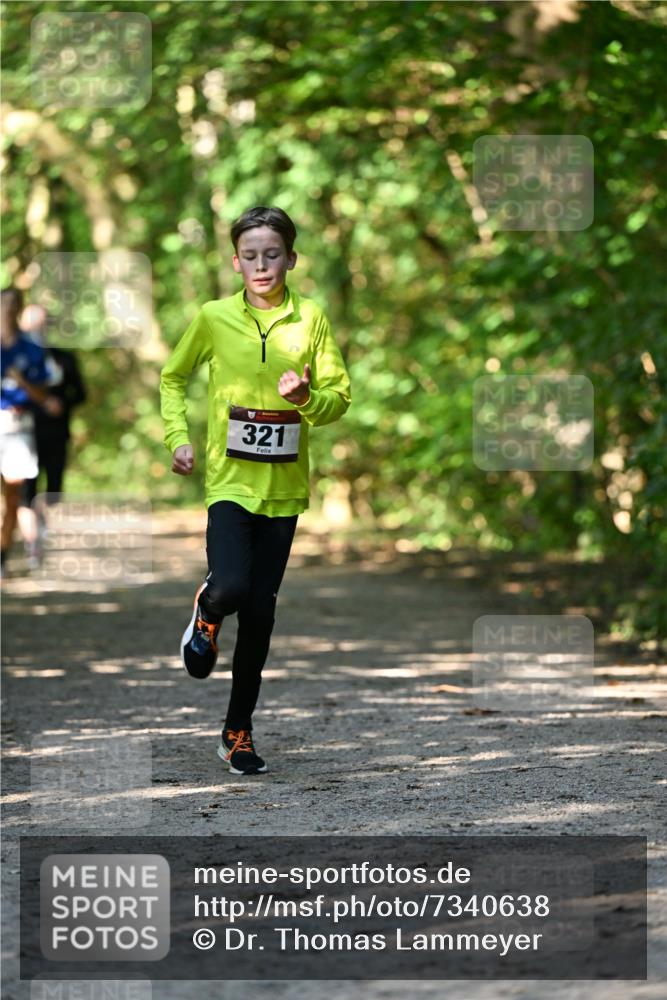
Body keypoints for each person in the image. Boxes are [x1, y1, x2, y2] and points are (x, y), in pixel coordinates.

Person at [160, 206, 351, 775]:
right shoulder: (214, 317)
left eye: (273, 254)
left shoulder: (311, 318)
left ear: (291, 258)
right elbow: (173, 375)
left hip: (285, 487)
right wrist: (178, 437)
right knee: (234, 586)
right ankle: (208, 609)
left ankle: (237, 731)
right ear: (236, 261)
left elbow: (338, 399)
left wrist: (305, 401)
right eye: (250, 255)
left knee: (262, 616)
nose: (262, 265)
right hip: (228, 480)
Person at [18, 304, 87, 561]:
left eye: (43, 323)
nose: (38, 328)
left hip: (57, 433)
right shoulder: (14, 358)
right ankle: (32, 542)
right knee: (27, 487)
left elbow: (81, 393)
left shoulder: (64, 359)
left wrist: (62, 405)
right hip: (23, 433)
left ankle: (41, 518)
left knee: (54, 488)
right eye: (32, 323)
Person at [0, 288, 50, 575]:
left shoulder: (30, 349)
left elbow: (43, 395)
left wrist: (21, 383)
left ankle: (3, 555)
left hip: (17, 426)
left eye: (11, 305)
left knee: (13, 497)